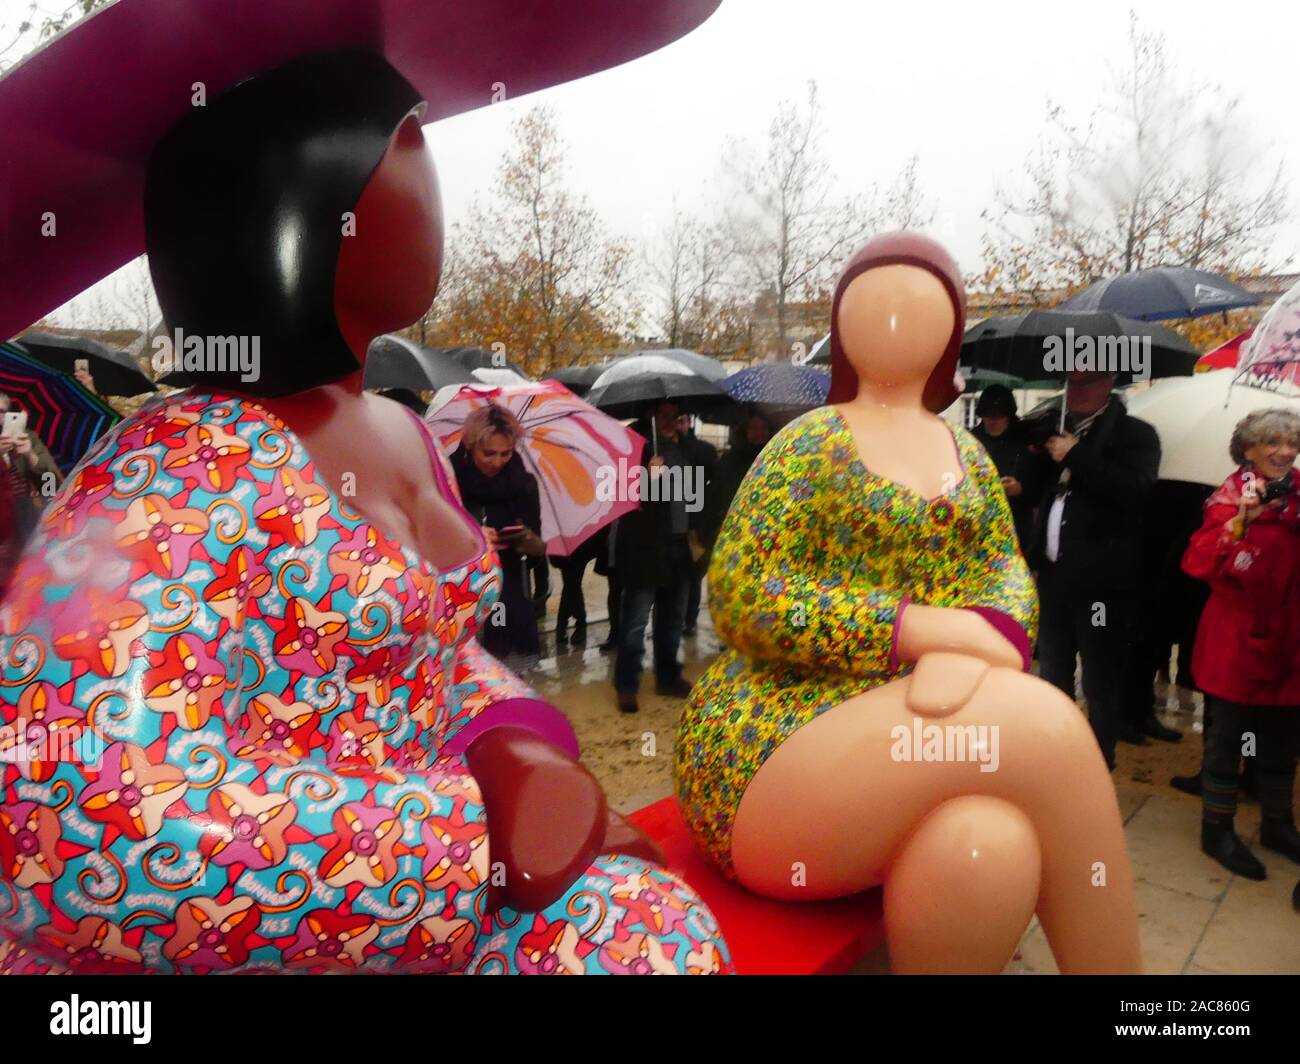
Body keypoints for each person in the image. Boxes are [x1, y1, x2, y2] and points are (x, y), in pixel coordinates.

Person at [0, 44, 730, 975]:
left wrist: (508, 748)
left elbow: (429, 650)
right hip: (243, 942)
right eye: (405, 142)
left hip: (431, 906)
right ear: (305, 205)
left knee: (643, 930)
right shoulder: (167, 475)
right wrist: (473, 835)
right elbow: (60, 804)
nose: (431, 175)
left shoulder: (402, 428)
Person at [676, 233, 1140, 974]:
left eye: (922, 306)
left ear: (950, 335)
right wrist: (914, 631)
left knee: (987, 849)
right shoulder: (809, 444)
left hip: (918, 740)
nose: (896, 320)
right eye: (874, 302)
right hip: (777, 739)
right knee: (1048, 729)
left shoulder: (967, 456)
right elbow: (741, 593)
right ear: (842, 329)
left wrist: (981, 642)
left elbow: (1005, 575)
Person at [1180, 408, 1300, 880]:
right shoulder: (1228, 501)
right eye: (1272, 442)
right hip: (1237, 642)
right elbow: (1198, 563)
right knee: (1228, 741)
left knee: (1282, 742)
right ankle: (1217, 829)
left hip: (1290, 639)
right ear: (1247, 450)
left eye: (1291, 442)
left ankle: (1277, 824)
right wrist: (1242, 525)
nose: (1285, 452)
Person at [1022, 371, 1161, 770]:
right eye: (1071, 383)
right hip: (1054, 576)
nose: (1076, 390)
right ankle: (1055, 752)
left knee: (1099, 677)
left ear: (1109, 384)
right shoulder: (1056, 428)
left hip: (1102, 584)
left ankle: (1099, 760)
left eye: (1087, 383)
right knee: (1053, 670)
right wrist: (1036, 453)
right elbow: (1038, 492)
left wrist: (1077, 455)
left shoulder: (1135, 435)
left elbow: (1134, 492)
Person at [449, 403, 547, 670]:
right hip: (462, 594)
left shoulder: (525, 483)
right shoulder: (447, 479)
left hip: (511, 594)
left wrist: (528, 540)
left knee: (511, 679)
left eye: (506, 453)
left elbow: (539, 549)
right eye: (489, 453)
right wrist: (471, 537)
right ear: (470, 444)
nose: (497, 461)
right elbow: (429, 540)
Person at [613, 400, 695, 713]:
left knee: (672, 618)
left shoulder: (684, 447)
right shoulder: (633, 446)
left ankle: (667, 676)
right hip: (647, 547)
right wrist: (647, 477)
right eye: (665, 415)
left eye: (676, 416)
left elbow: (697, 489)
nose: (672, 421)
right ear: (650, 414)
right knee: (635, 621)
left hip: (680, 544)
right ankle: (626, 684)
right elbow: (620, 495)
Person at [699, 409, 773, 561]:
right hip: (734, 531)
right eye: (754, 428)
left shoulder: (775, 457)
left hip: (766, 533)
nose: (760, 433)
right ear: (744, 431)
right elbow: (717, 496)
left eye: (763, 428)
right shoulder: (731, 460)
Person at [969, 384, 1034, 551]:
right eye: (988, 415)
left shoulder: (1027, 439)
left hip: (1015, 525)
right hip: (979, 524)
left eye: (999, 416)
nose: (993, 420)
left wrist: (1021, 489)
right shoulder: (970, 440)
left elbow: (1041, 484)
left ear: (1009, 415)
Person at [0, 392, 62, 545]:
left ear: (7, 415)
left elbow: (52, 486)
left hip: (28, 514)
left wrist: (30, 455)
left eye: (0, 411)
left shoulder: (29, 437)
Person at [676, 412, 717, 635]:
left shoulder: (703, 450)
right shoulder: (667, 449)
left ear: (690, 422)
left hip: (694, 522)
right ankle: (678, 617)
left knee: (692, 576)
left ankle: (689, 619)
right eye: (677, 421)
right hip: (674, 520)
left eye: (683, 421)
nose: (680, 426)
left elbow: (713, 483)